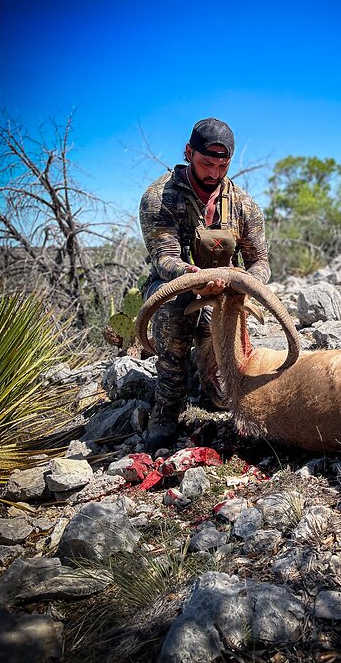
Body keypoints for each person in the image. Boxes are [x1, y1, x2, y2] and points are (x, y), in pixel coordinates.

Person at [137, 118, 271, 450]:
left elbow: (260, 260)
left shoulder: (243, 204)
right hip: (176, 288)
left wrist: (243, 283)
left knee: (223, 398)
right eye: (206, 163)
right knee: (172, 307)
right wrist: (195, 279)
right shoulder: (159, 197)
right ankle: (167, 406)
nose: (213, 173)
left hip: (224, 294)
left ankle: (207, 372)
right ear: (188, 152)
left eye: (222, 165)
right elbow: (165, 259)